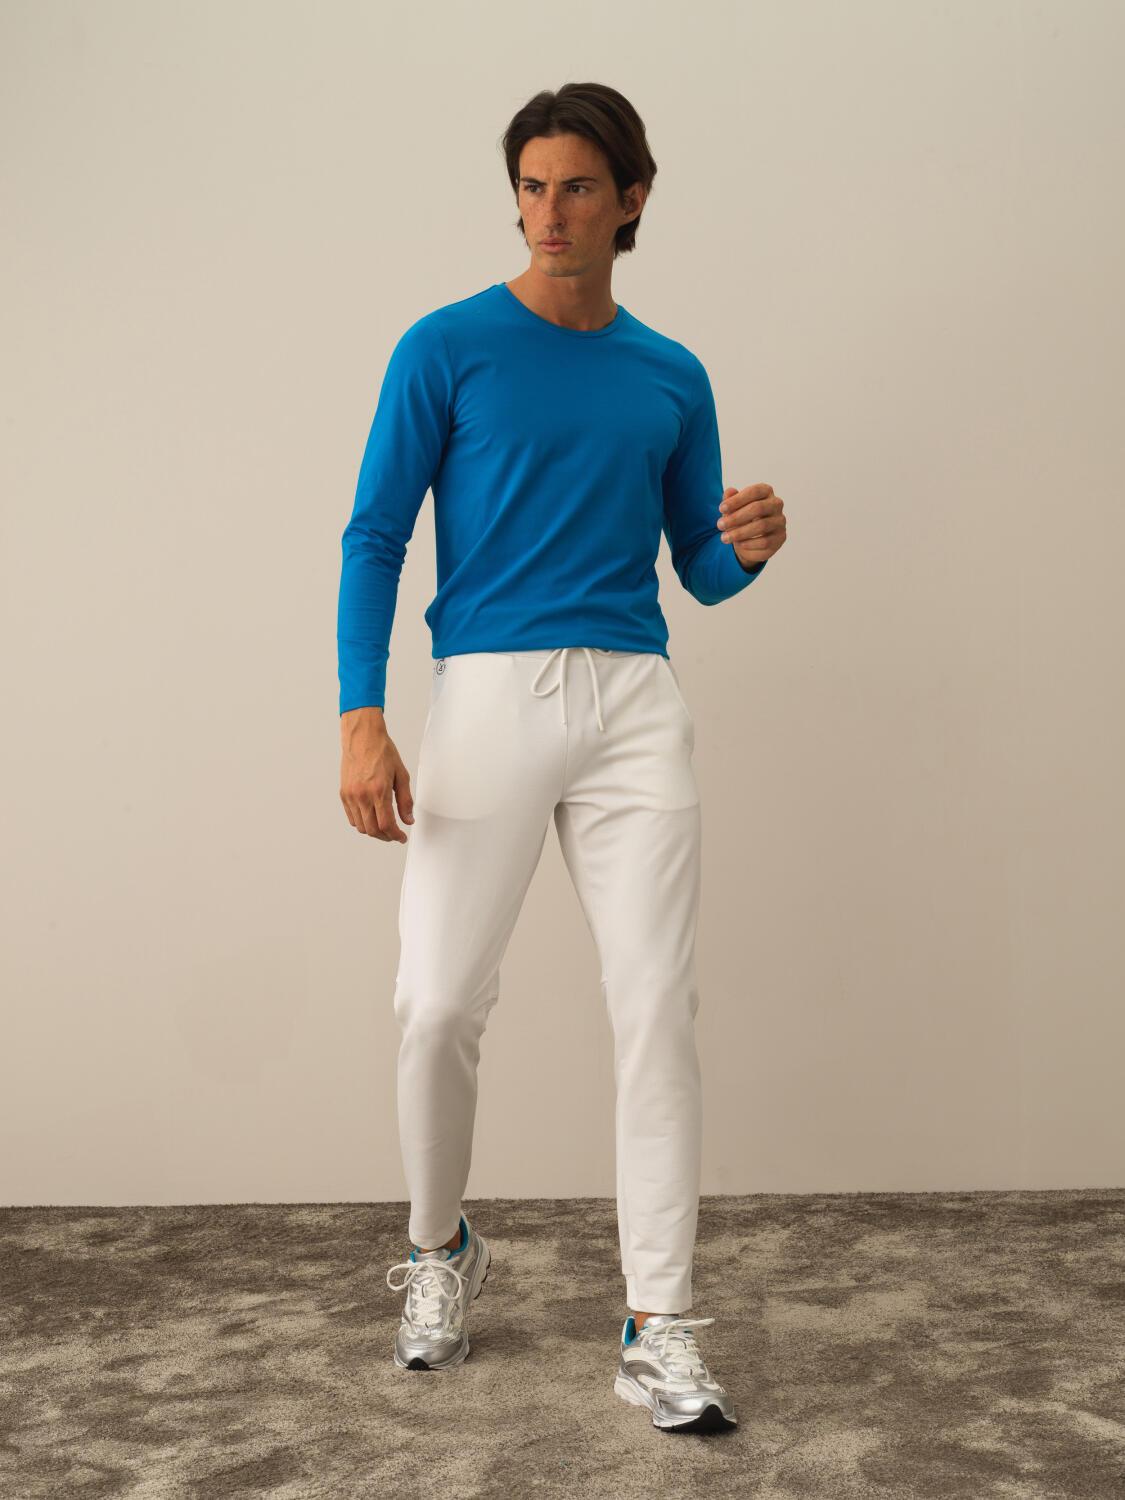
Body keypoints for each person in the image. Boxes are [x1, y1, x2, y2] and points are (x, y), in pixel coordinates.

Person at [337, 81, 787, 1433]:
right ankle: (438, 1248)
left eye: (577, 187)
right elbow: (375, 535)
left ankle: (660, 1324)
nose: (548, 212)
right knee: (434, 1005)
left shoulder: (671, 373)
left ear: (630, 199)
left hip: (633, 703)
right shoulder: (446, 348)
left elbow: (696, 566)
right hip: (486, 696)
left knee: (656, 1007)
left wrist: (746, 550)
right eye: (531, 187)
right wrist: (361, 713)